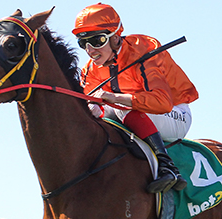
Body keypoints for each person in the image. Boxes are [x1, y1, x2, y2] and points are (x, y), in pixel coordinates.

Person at [73, 3, 198, 193]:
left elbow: (162, 103)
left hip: (175, 114)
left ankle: (168, 167)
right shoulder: (91, 69)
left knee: (120, 107)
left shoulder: (143, 51)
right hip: (132, 113)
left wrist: (113, 97)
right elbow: (92, 106)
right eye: (83, 43)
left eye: (97, 40)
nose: (90, 50)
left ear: (115, 37)